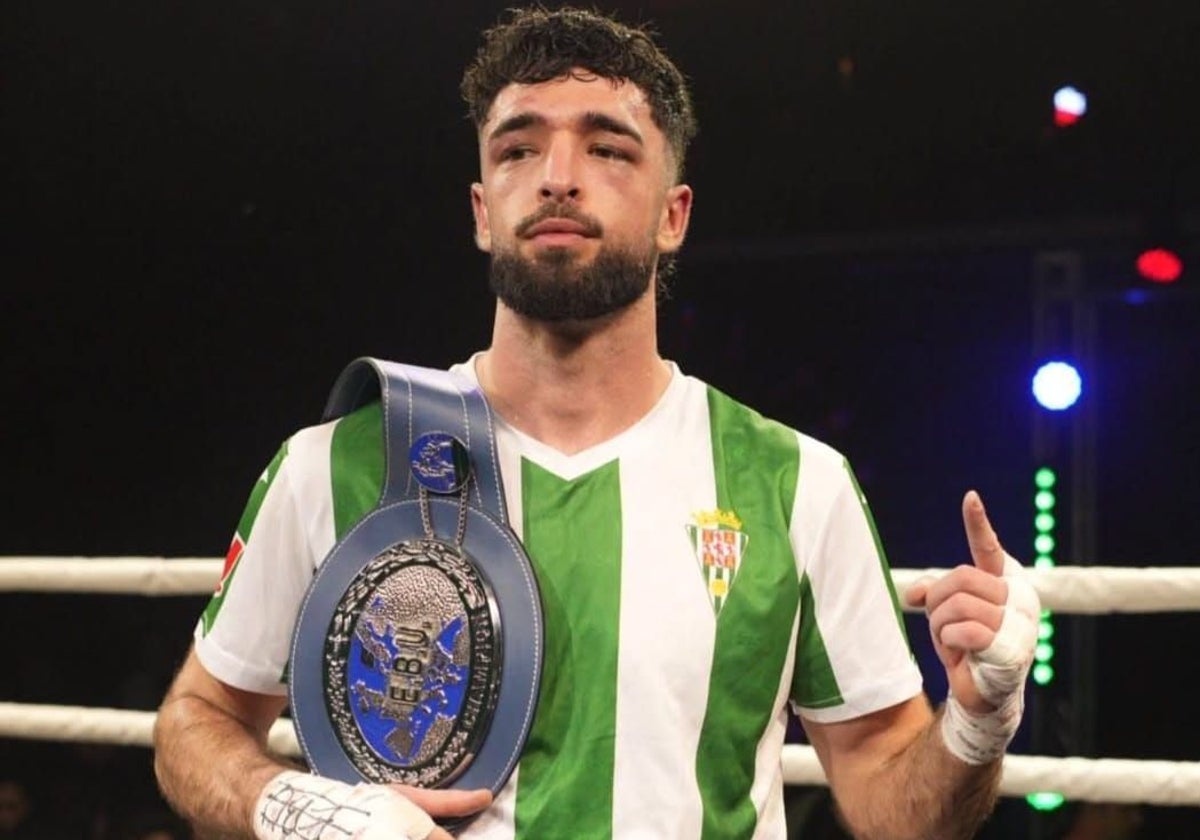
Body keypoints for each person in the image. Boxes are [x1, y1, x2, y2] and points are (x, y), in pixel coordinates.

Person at [151, 6, 1041, 839]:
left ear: (673, 215)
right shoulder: (334, 465)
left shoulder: (795, 483)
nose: (559, 176)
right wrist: (293, 807)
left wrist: (977, 720)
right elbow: (197, 722)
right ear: (481, 210)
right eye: (518, 149)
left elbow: (894, 802)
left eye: (608, 149)